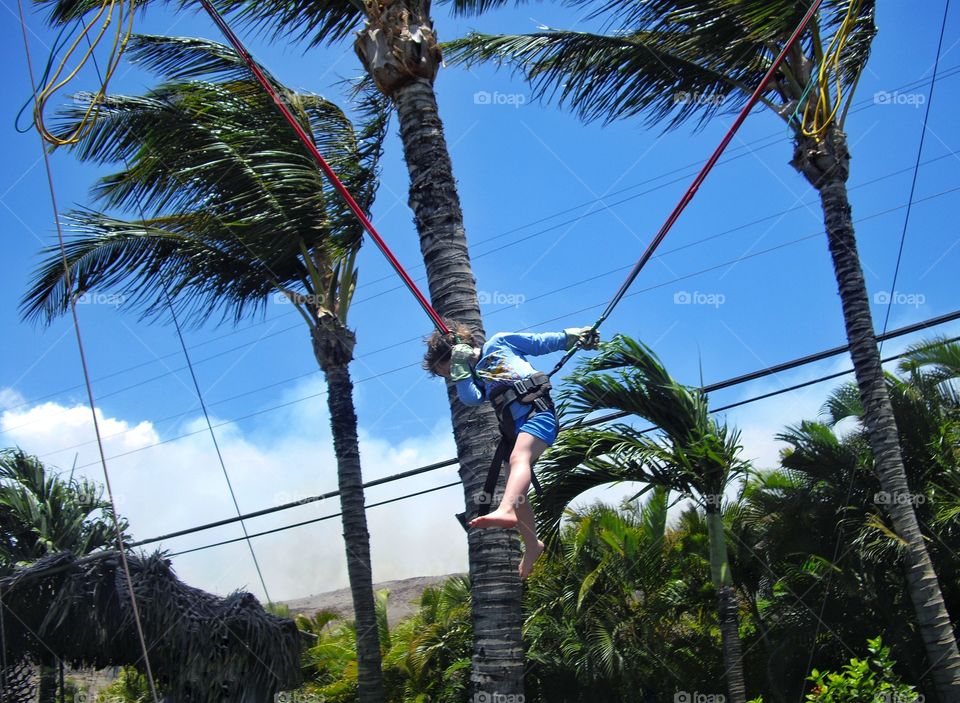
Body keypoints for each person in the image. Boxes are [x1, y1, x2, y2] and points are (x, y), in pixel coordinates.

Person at [423, 321, 599, 578]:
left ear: (453, 351)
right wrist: (461, 371)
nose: (450, 376)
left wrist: (572, 336)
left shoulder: (500, 342)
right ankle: (532, 545)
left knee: (519, 459)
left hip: (538, 414)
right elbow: (471, 398)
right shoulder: (476, 377)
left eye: (447, 371)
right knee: (518, 492)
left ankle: (505, 510)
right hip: (514, 430)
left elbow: (540, 343)